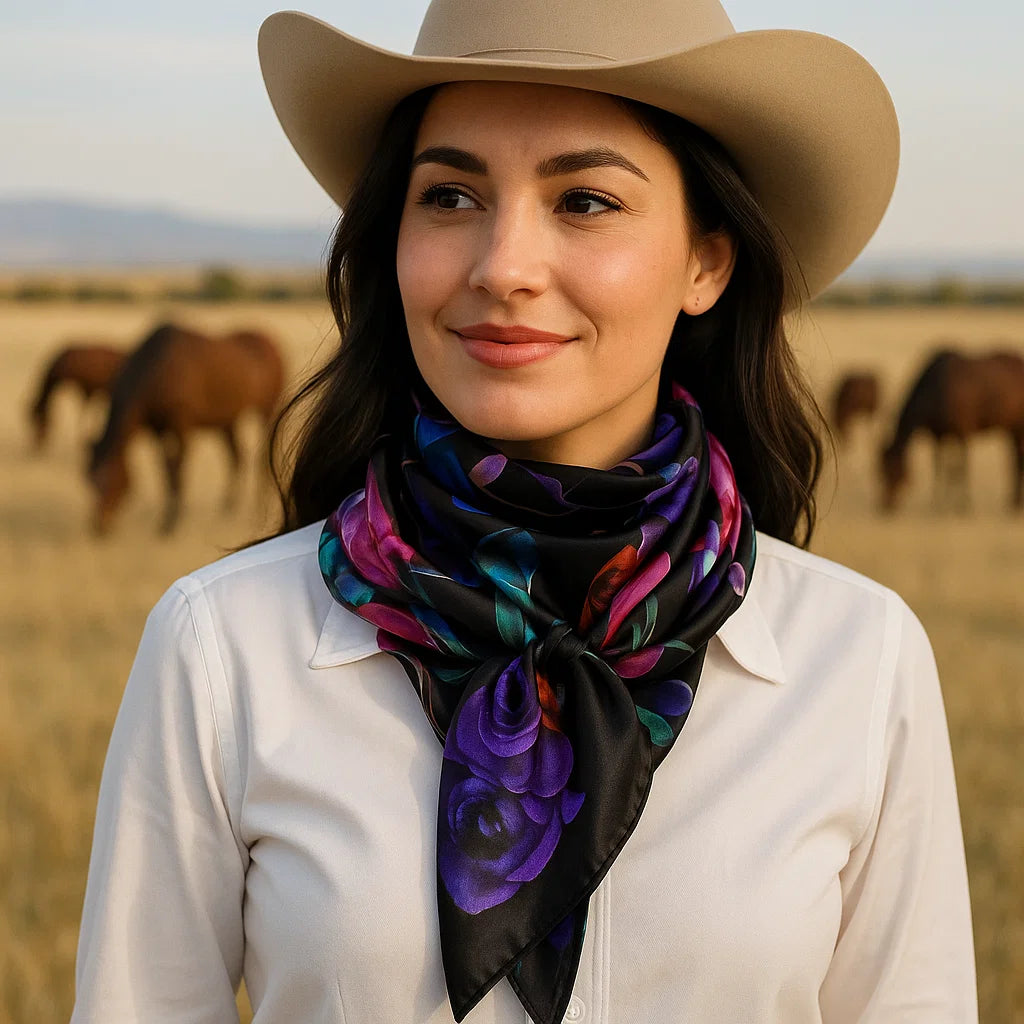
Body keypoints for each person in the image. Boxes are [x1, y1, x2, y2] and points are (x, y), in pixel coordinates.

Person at [71, 0, 977, 1021]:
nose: (501, 266)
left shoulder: (856, 661)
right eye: (449, 195)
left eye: (585, 201)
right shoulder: (225, 648)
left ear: (705, 261)